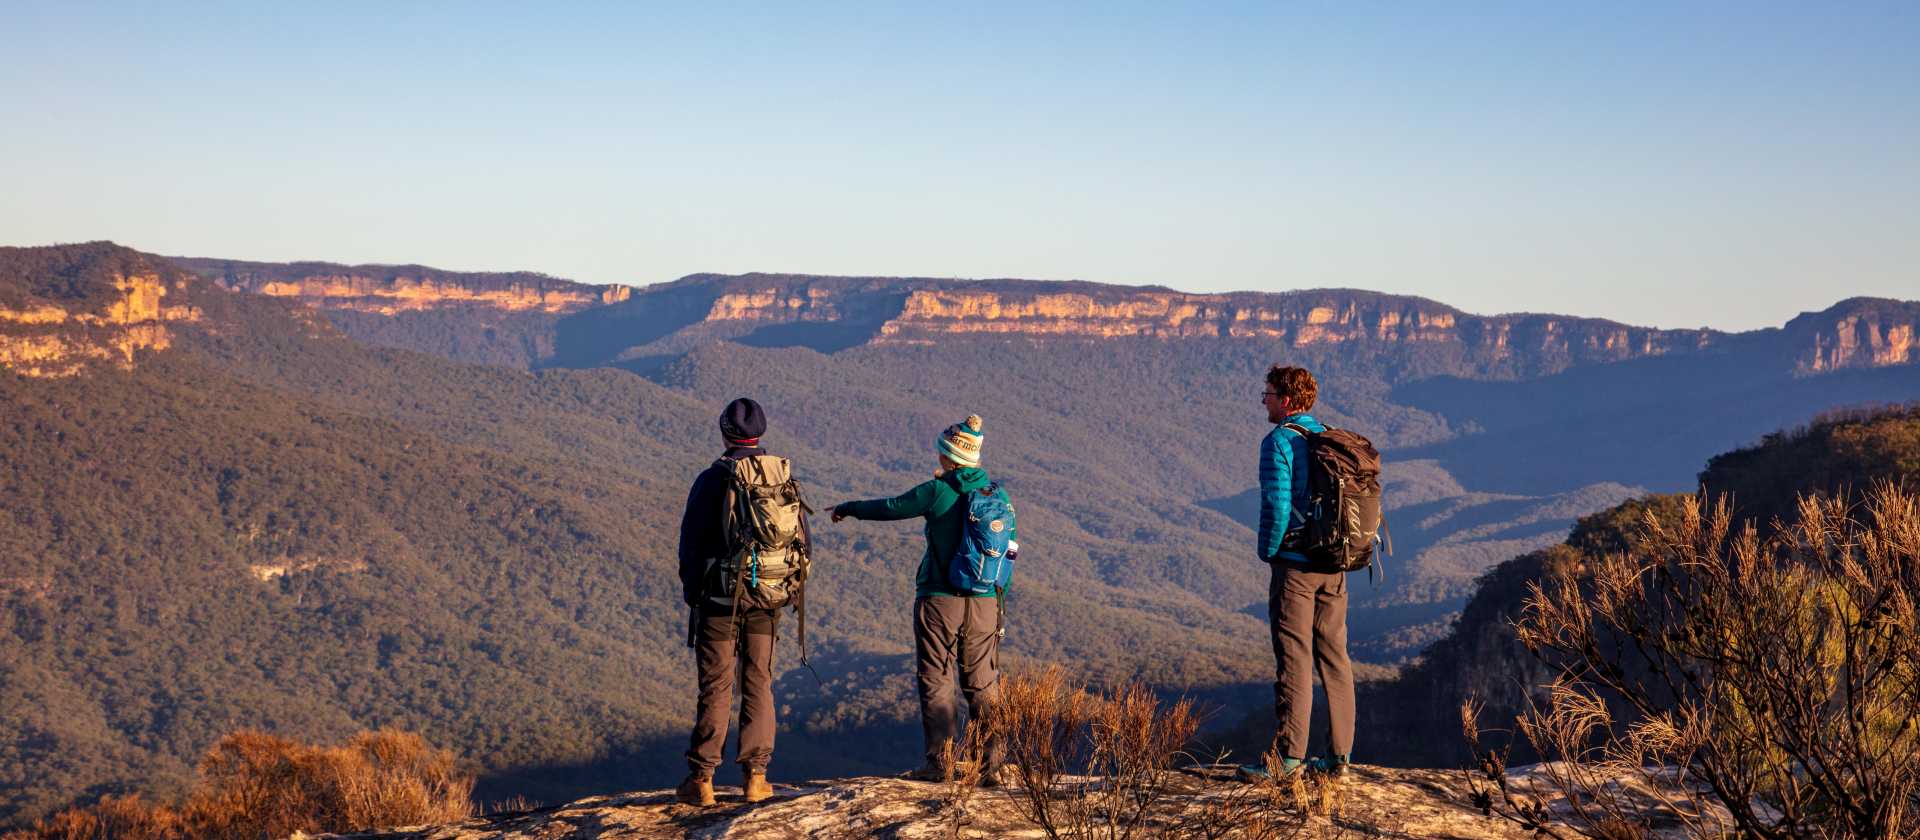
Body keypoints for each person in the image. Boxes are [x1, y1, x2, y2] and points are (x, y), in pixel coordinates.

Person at [830, 414, 1011, 782]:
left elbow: (893, 507)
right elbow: (1007, 551)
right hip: (985, 601)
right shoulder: (997, 495)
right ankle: (991, 765)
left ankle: (939, 763)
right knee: (982, 682)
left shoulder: (938, 491)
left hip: (940, 599)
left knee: (936, 677)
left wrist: (848, 507)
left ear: (949, 455)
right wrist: (995, 598)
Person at [675, 397, 801, 806]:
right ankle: (756, 778)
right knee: (759, 682)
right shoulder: (779, 477)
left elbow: (690, 544)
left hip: (718, 601)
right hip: (767, 597)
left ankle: (703, 780)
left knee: (716, 685)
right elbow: (802, 542)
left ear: (725, 432)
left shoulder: (713, 479)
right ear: (759, 433)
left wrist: (693, 591)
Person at [1249, 365, 1354, 780]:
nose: (1264, 400)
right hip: (1336, 564)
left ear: (1287, 400)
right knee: (1335, 656)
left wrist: (1268, 552)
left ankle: (1289, 759)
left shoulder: (1279, 441)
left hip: (1296, 566)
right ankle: (1339, 758)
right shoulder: (1330, 437)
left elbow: (1276, 506)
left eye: (1269, 393)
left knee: (1294, 658)